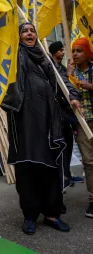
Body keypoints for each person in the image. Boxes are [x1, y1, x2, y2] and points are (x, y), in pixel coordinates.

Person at [1, 23, 71, 235]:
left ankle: (51, 213)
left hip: (49, 121)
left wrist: (73, 98)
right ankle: (30, 215)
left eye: (32, 31)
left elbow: (64, 83)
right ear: (19, 36)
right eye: (25, 31)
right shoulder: (12, 56)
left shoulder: (46, 59)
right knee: (27, 167)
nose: (29, 33)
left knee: (50, 166)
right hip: (23, 120)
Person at [49, 41, 83, 214]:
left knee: (68, 148)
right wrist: (68, 74)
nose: (64, 52)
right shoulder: (51, 67)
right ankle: (62, 180)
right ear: (54, 52)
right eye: (61, 50)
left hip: (67, 117)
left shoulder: (61, 67)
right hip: (58, 118)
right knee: (60, 150)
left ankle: (67, 174)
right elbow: (60, 89)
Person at [67, 37, 93, 218]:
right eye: (73, 51)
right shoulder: (70, 73)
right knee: (89, 162)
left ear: (87, 52)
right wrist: (67, 77)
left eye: (79, 50)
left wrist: (90, 86)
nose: (75, 54)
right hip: (83, 123)